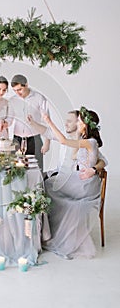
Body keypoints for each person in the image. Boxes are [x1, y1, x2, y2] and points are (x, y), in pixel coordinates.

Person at [29, 106, 104, 259]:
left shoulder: (90, 142)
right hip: (81, 179)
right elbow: (72, 153)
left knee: (48, 186)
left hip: (85, 184)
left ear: (85, 124)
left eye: (80, 121)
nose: (77, 123)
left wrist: (48, 120)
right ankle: (49, 230)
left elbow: (63, 141)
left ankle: (49, 232)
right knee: (49, 184)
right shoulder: (84, 140)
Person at [9, 74, 50, 173]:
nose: (17, 93)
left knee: (36, 171)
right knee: (16, 172)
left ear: (26, 85)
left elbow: (48, 122)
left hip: (34, 139)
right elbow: (9, 121)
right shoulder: (12, 100)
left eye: (19, 89)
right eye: (15, 90)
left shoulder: (39, 98)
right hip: (17, 140)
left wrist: (47, 142)